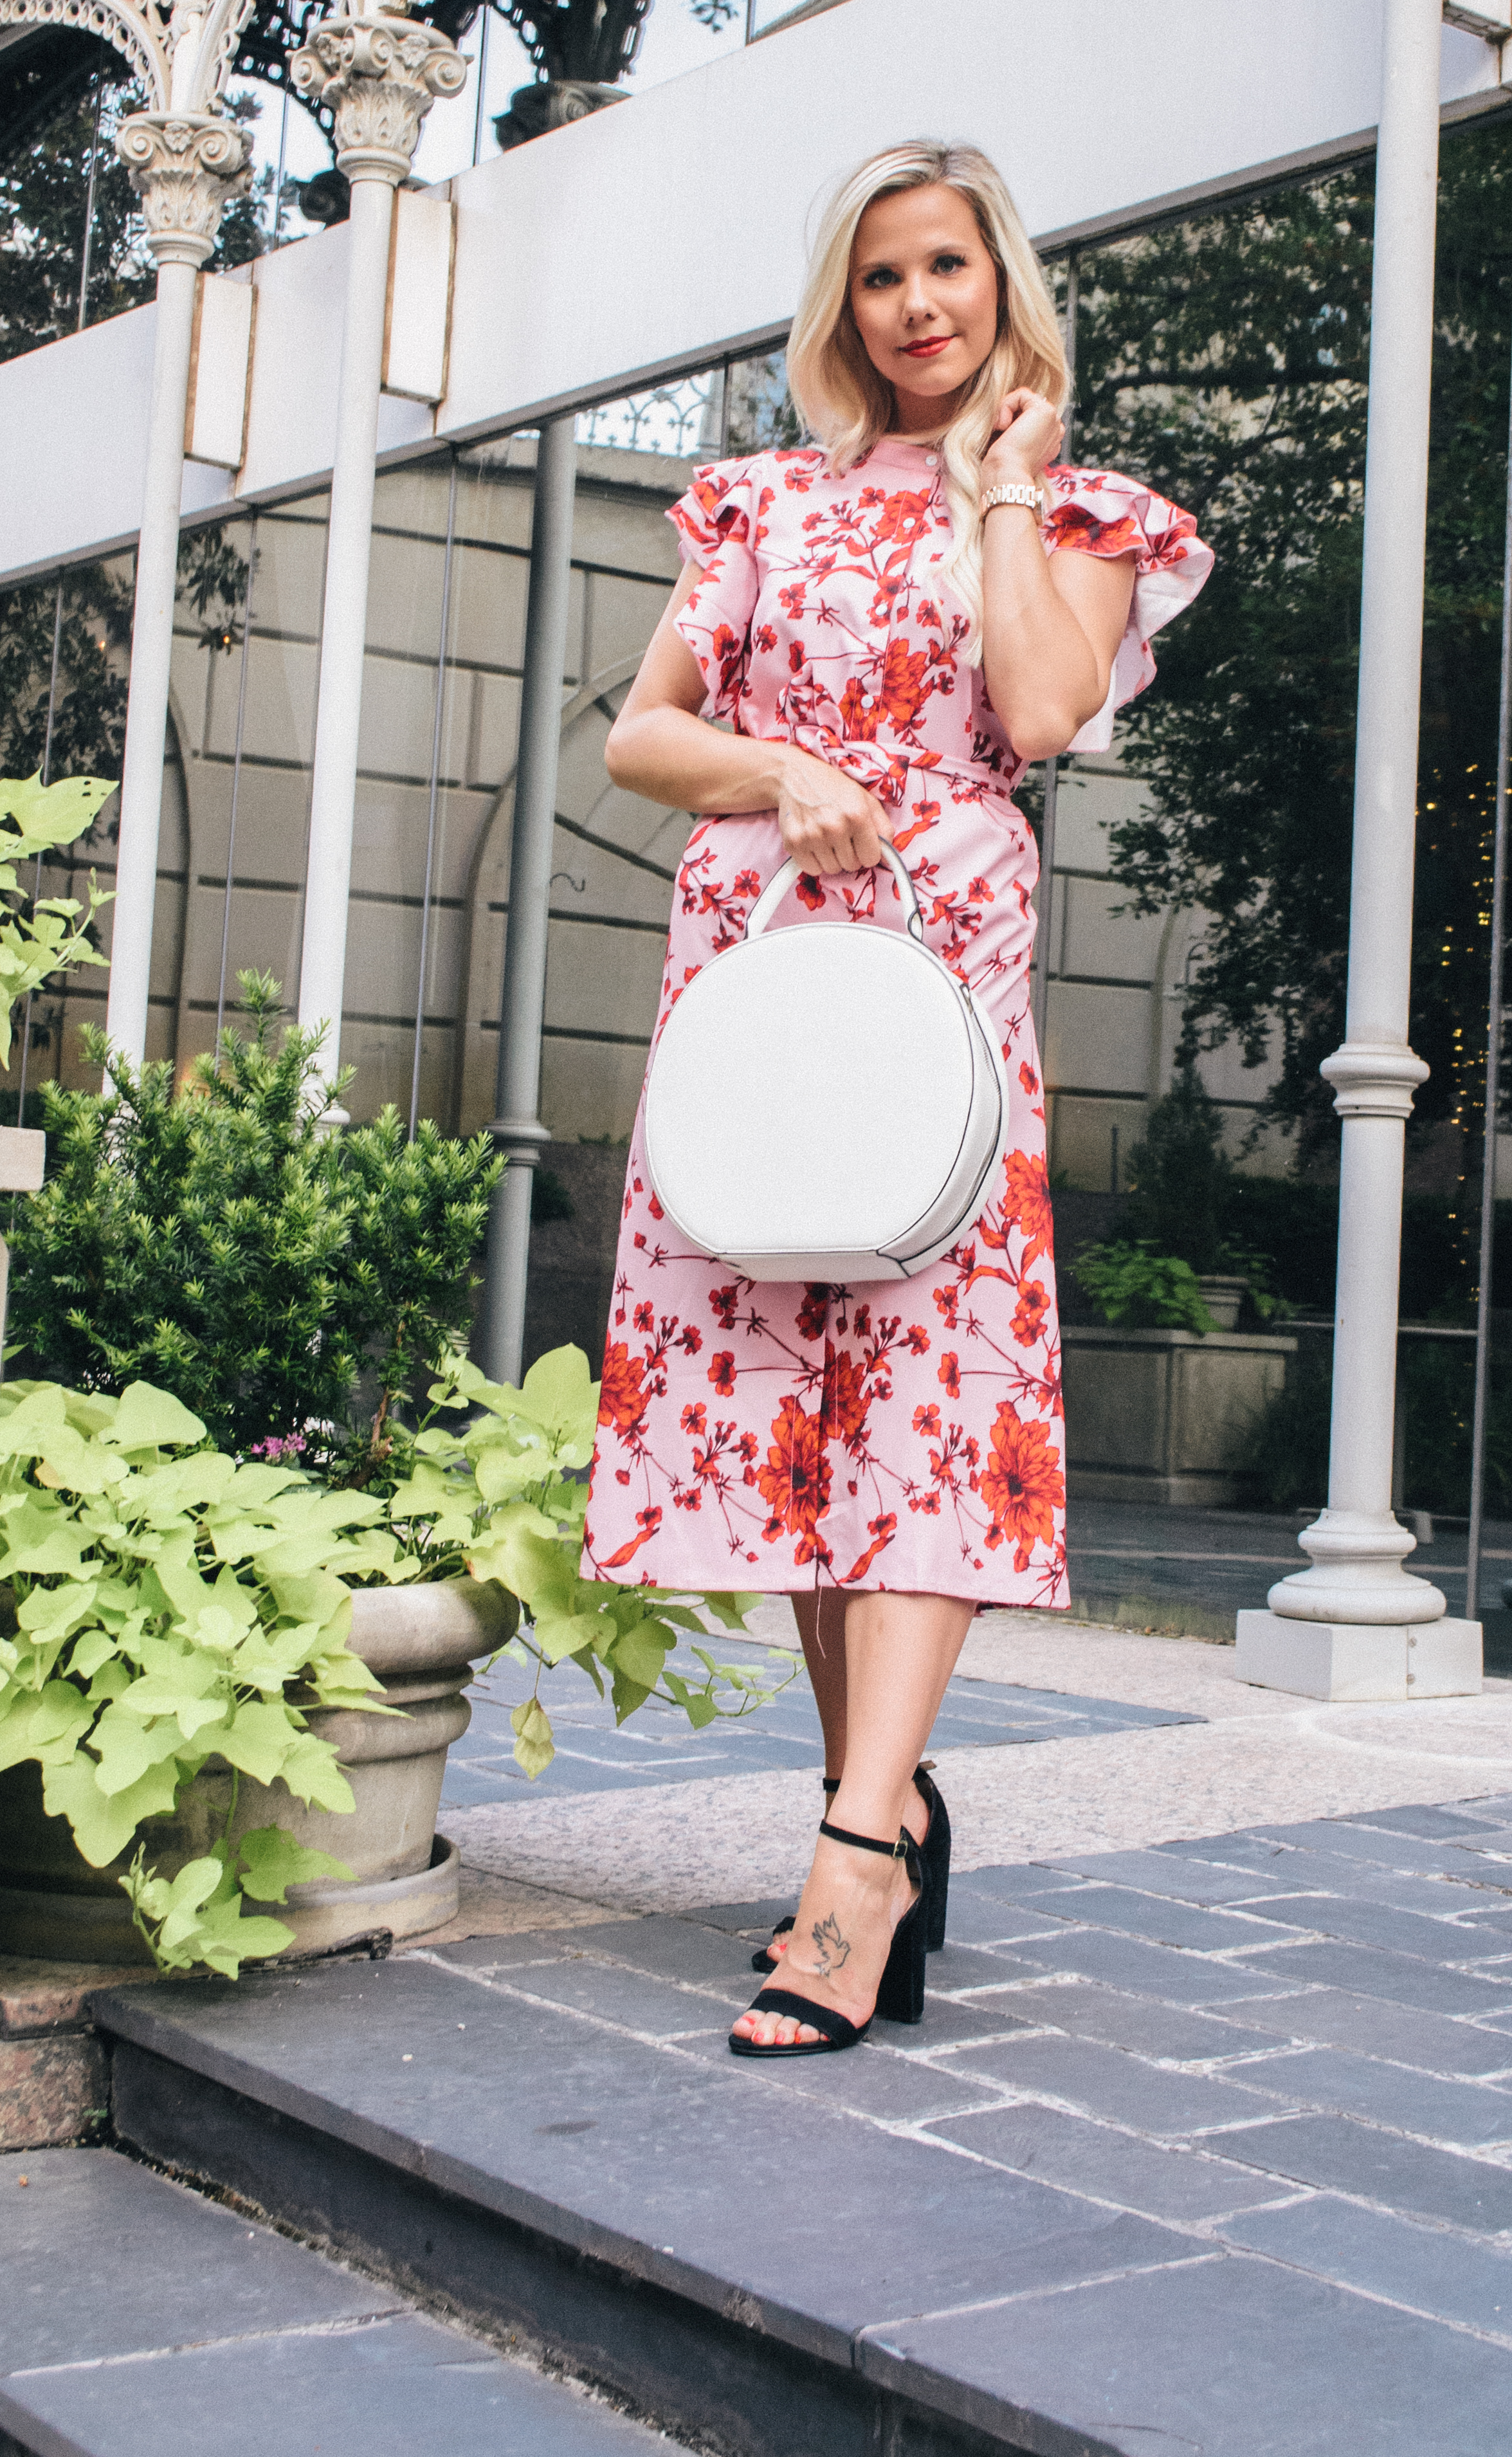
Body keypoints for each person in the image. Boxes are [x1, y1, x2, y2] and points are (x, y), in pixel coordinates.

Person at [586, 139, 1212, 2058]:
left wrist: (1004, 492)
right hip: (760, 961)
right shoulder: (756, 503)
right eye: (882, 278)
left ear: (1003, 285)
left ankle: (857, 1859)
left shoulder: (1090, 513)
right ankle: (888, 1807)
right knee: (792, 1405)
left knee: (931, 1395)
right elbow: (639, 732)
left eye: (949, 267)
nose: (920, 304)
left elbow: (1029, 714)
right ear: (842, 308)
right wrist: (781, 771)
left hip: (943, 966)